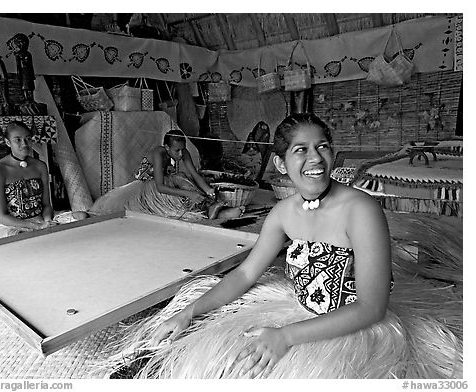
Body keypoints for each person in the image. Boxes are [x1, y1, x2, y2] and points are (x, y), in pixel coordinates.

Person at [96, 113, 462, 379]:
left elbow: (372, 307)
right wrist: (189, 313)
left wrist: (285, 337)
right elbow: (244, 274)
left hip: (353, 330)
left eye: (322, 147)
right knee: (217, 348)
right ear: (280, 163)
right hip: (295, 309)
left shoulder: (361, 210)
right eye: (300, 150)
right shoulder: (283, 214)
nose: (315, 159)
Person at [0, 121, 87, 246]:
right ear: (8, 142)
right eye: (17, 140)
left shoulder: (39, 166)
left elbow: (47, 204)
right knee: (20, 240)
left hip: (40, 219)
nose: (24, 144)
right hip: (14, 224)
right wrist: (37, 226)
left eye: (28, 138)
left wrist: (47, 222)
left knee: (81, 216)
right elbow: (2, 216)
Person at [90, 129, 242, 220]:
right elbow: (160, 187)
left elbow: (195, 175)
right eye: (177, 150)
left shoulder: (183, 152)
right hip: (148, 187)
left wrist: (208, 191)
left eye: (183, 149)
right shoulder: (158, 154)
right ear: (167, 147)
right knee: (180, 181)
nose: (181, 153)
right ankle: (205, 210)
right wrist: (189, 194)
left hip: (166, 181)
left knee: (182, 176)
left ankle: (209, 207)